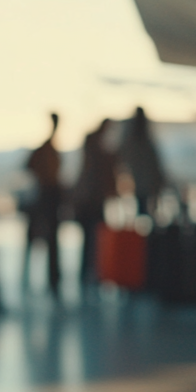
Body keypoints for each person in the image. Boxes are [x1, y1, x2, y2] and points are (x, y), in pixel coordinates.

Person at [71, 118, 118, 284]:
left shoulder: (98, 149)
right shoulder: (97, 150)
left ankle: (91, 273)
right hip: (92, 201)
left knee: (93, 240)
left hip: (92, 200)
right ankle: (90, 273)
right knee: (93, 240)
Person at [24, 113, 63, 296]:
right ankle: (45, 279)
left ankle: (51, 280)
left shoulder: (49, 148)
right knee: (41, 239)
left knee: (49, 241)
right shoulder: (46, 149)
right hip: (46, 195)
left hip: (48, 195)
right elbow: (29, 166)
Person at [119, 107, 166, 216]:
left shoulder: (132, 140)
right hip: (141, 182)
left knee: (142, 210)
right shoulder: (145, 141)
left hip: (137, 181)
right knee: (146, 211)